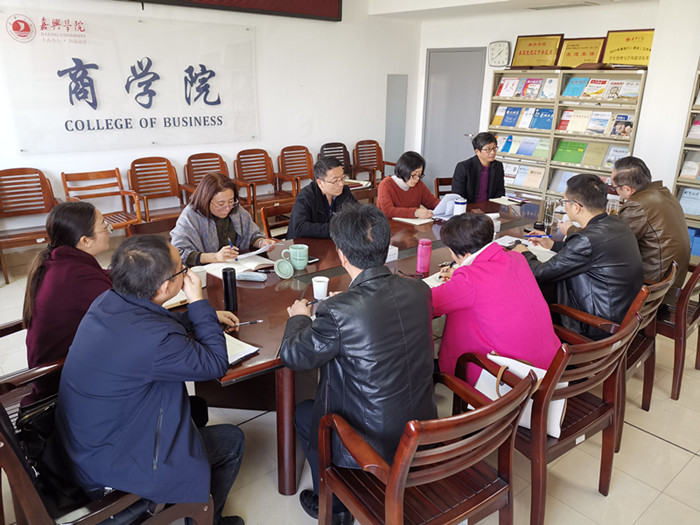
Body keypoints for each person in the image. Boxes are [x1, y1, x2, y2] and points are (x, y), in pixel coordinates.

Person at [56, 235, 244, 525]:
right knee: (232, 440)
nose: (187, 274)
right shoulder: (156, 342)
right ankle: (207, 519)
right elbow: (215, 363)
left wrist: (201, 317)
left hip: (84, 446)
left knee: (196, 409)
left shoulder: (107, 300)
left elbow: (150, 323)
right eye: (182, 270)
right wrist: (198, 302)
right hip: (113, 468)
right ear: (165, 286)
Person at [280, 205, 436, 524]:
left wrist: (299, 318)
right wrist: (347, 301)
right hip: (420, 424)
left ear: (341, 254)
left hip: (371, 442)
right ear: (385, 246)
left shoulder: (338, 311)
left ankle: (336, 506)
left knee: (305, 414)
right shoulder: (419, 289)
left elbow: (294, 355)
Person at [513, 173, 644, 338]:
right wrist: (553, 245)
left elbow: (541, 273)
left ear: (576, 207)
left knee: (532, 300)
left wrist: (524, 253)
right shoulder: (617, 224)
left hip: (597, 325)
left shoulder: (587, 239)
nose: (564, 207)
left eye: (565, 202)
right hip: (621, 315)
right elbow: (590, 253)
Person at [433, 213, 560, 382]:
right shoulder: (516, 258)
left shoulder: (470, 279)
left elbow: (428, 303)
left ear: (462, 253)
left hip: (513, 379)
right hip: (550, 367)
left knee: (455, 315)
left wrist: (460, 278)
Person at [22, 201, 112, 402]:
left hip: (53, 375)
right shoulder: (78, 277)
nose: (109, 230)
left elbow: (103, 276)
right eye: (104, 226)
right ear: (85, 241)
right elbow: (125, 313)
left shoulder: (59, 262)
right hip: (62, 386)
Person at [610, 156, 689, 290]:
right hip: (671, 281)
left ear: (627, 189)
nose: (615, 191)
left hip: (652, 285)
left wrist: (574, 230)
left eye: (614, 187)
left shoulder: (637, 205)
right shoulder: (663, 193)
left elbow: (612, 245)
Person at [170, 172, 277, 265]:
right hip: (207, 270)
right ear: (205, 200)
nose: (227, 208)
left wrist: (261, 242)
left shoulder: (235, 208)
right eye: (221, 204)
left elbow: (252, 235)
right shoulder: (190, 216)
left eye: (231, 201)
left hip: (238, 264)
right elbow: (178, 252)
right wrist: (215, 257)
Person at [286, 156, 357, 239]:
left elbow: (358, 213)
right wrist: (337, 229)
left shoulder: (344, 191)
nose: (341, 184)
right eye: (335, 181)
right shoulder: (306, 196)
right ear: (320, 183)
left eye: (342, 178)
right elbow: (299, 227)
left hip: (330, 241)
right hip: (304, 244)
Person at [376, 150, 440, 219]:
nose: (417, 179)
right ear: (404, 170)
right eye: (414, 174)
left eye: (419, 175)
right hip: (389, 224)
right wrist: (415, 213)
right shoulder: (386, 185)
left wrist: (445, 206)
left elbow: (431, 202)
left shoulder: (418, 184)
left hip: (411, 224)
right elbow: (387, 211)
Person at [451, 132, 505, 203]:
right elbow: (458, 196)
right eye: (488, 149)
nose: (492, 152)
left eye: (494, 148)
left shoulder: (498, 166)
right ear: (477, 152)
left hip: (489, 208)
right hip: (468, 207)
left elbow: (500, 192)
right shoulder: (463, 167)